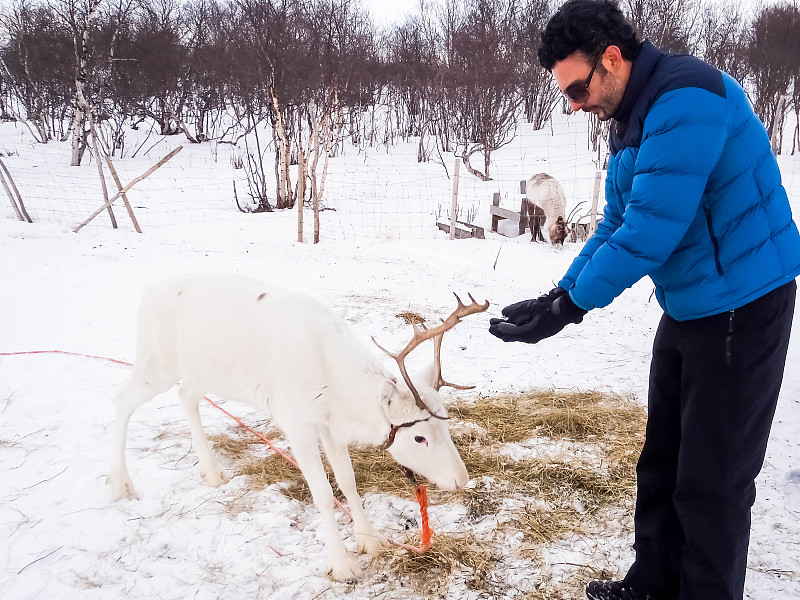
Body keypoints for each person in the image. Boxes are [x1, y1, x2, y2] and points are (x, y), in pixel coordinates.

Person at [488, 1, 800, 599]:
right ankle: (654, 583)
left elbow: (649, 232)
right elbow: (616, 221)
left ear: (612, 59)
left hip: (743, 305)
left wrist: (569, 308)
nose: (574, 104)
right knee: (662, 464)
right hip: (691, 304)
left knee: (713, 483)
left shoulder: (688, 101)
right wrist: (559, 293)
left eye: (577, 88)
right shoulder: (632, 114)